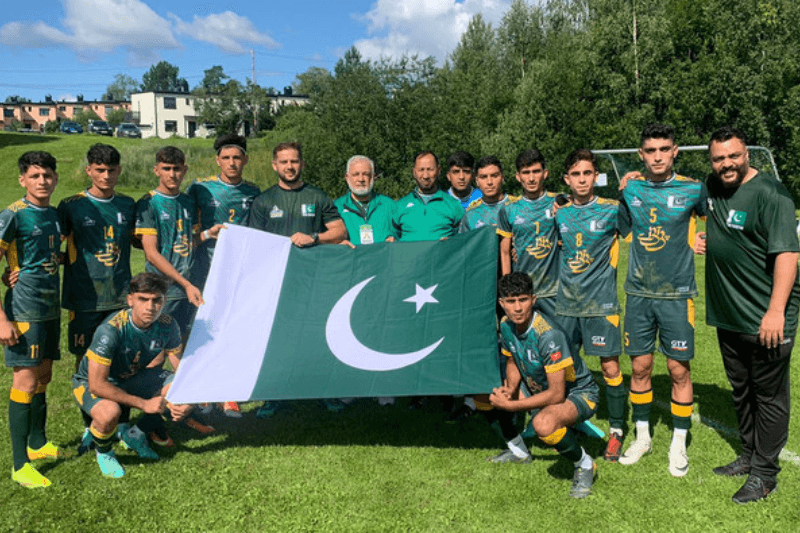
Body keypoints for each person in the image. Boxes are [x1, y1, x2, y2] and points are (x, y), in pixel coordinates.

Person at [701, 126, 800, 503]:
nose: (727, 164)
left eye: (734, 156)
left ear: (748, 155)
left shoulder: (772, 194)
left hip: (767, 318)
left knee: (769, 396)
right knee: (741, 391)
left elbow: (788, 256)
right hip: (729, 317)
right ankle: (749, 454)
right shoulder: (711, 187)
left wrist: (776, 311)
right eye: (719, 158)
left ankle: (765, 474)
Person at [616, 125, 707, 477]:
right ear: (641, 155)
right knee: (639, 368)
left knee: (678, 369)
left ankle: (678, 441)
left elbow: (722, 217)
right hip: (638, 294)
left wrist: (706, 237)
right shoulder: (631, 189)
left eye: (663, 149)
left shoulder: (693, 189)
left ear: (675, 152)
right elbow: (618, 227)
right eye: (650, 150)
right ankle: (642, 437)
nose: (657, 156)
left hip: (677, 295)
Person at [246, 142, 346, 416]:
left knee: (318, 335)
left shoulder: (317, 196)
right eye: (284, 162)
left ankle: (325, 392)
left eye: (294, 161)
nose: (289, 167)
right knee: (277, 340)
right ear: (274, 165)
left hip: (313, 282)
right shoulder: (264, 201)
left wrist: (314, 237)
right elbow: (254, 244)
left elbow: (339, 231)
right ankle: (274, 396)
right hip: (277, 284)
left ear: (301, 164)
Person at [71, 272, 193, 478]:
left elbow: (179, 367)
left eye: (157, 300)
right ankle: (105, 453)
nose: (150, 306)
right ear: (130, 300)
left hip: (130, 377)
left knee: (179, 390)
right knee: (109, 413)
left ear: (164, 301)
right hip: (92, 383)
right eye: (143, 299)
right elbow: (97, 385)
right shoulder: (110, 330)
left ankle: (135, 434)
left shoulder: (168, 324)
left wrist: (185, 398)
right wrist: (144, 404)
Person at [490, 272, 600, 499]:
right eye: (511, 301)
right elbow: (511, 358)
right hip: (539, 387)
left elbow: (557, 394)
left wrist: (512, 406)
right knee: (492, 391)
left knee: (543, 424)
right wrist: (510, 389)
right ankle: (519, 451)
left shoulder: (549, 335)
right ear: (502, 304)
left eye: (523, 299)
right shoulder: (506, 325)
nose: (517, 308)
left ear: (533, 299)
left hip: (578, 393)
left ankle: (585, 464)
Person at [135, 147, 221, 434]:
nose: (172, 174)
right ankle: (152, 423)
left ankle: (182, 411)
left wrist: (208, 234)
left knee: (183, 350)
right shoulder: (148, 203)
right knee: (157, 356)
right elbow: (152, 252)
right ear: (156, 170)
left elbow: (187, 240)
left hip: (186, 289)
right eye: (166, 168)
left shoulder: (186, 201)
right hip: (163, 291)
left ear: (184, 170)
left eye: (177, 169)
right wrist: (184, 284)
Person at [58, 144, 139, 449]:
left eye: (112, 170)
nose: (106, 176)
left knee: (122, 359)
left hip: (120, 296)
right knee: (85, 365)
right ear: (89, 169)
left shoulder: (129, 205)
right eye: (100, 170)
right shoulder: (70, 205)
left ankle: (123, 427)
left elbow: (143, 241)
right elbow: (55, 248)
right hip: (83, 298)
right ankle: (90, 427)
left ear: (119, 171)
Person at [554, 149, 629, 467]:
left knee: (610, 368)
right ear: (567, 179)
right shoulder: (558, 212)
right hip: (567, 305)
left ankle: (617, 430)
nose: (582, 179)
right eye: (576, 174)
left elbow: (644, 233)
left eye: (588, 173)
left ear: (595, 177)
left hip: (601, 305)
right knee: (567, 369)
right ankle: (574, 419)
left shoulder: (612, 211)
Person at [186, 134, 259, 418]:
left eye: (237, 158)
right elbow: (185, 232)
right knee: (202, 329)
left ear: (245, 161)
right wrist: (207, 234)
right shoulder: (200, 189)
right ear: (217, 160)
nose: (232, 163)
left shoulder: (253, 192)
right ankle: (204, 390)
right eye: (226, 158)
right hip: (203, 269)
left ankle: (229, 393)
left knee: (232, 330)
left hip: (238, 272)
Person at [1, 152, 61, 488]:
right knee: (24, 381)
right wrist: (1, 319)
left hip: (49, 310)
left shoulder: (53, 214)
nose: (42, 181)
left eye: (47, 175)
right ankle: (20, 463)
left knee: (44, 376)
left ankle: (37, 443)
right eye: (35, 176)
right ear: (23, 179)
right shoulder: (12, 215)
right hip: (23, 311)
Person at [497, 149, 561, 319]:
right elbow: (504, 251)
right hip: (523, 294)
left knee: (558, 341)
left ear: (545, 173)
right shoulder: (509, 209)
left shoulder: (560, 202)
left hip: (555, 291)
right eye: (526, 173)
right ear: (518, 176)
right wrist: (508, 290)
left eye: (536, 171)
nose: (531, 178)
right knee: (527, 342)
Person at [392, 151, 464, 242]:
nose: (425, 176)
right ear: (414, 172)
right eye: (421, 170)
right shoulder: (399, 206)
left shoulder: (454, 205)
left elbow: (463, 242)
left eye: (430, 169)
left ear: (439, 170)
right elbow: (393, 240)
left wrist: (453, 242)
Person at [334, 155, 394, 246]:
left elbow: (405, 234)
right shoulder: (335, 207)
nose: (361, 179)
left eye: (366, 174)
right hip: (351, 258)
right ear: (347, 177)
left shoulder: (390, 205)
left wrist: (396, 239)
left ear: (373, 177)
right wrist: (335, 244)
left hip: (381, 258)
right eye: (356, 174)